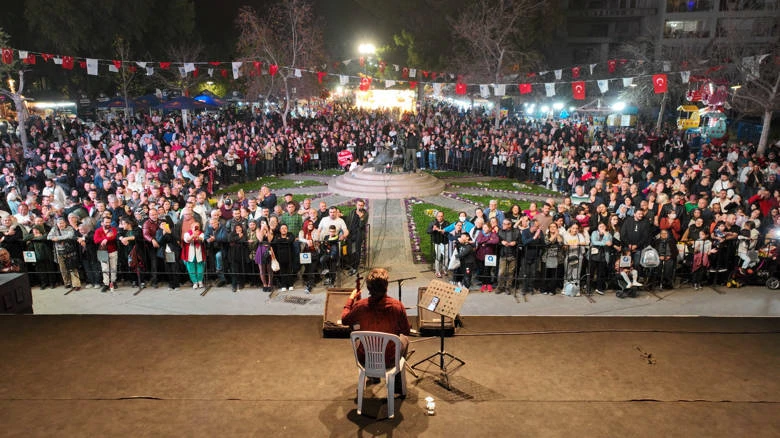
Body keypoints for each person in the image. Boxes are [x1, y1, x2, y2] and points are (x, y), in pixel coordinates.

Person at [341, 267, 411, 367]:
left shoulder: (360, 306)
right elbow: (406, 331)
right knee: (405, 339)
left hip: (366, 359)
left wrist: (351, 299)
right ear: (386, 286)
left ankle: (372, 374)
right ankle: (397, 374)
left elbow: (344, 320)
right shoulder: (397, 306)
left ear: (369, 288)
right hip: (389, 360)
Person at [49, 216, 81, 290]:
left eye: (62, 223)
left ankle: (76, 284)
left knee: (73, 268)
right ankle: (67, 283)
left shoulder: (69, 228)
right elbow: (49, 237)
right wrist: (63, 237)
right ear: (56, 224)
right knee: (63, 269)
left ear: (65, 223)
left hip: (70, 252)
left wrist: (57, 238)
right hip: (59, 252)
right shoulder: (54, 229)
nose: (61, 224)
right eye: (59, 223)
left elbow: (70, 236)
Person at [496, 218, 520, 294]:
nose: (502, 225)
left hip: (513, 255)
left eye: (504, 224)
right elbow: (496, 240)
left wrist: (515, 242)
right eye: (503, 223)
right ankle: (500, 287)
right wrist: (501, 242)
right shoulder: (500, 231)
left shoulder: (516, 231)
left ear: (510, 225)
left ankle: (508, 287)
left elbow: (521, 240)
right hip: (503, 255)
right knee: (501, 272)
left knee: (510, 273)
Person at [427, 211, 450, 278]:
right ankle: (437, 271)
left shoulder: (447, 223)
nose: (440, 217)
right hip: (437, 243)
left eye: (441, 216)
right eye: (438, 216)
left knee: (446, 257)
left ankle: (444, 269)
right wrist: (433, 229)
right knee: (438, 257)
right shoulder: (433, 223)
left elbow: (449, 232)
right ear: (436, 217)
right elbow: (428, 231)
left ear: (443, 217)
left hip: (445, 242)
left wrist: (443, 231)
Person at [182, 222, 206, 288]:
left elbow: (202, 239)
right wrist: (192, 235)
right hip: (190, 253)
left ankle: (200, 281)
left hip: (199, 253)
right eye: (195, 227)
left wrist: (197, 236)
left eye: (197, 227)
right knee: (191, 268)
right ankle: (194, 282)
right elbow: (187, 240)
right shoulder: (187, 233)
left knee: (200, 268)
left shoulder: (202, 233)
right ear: (191, 227)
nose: (196, 228)